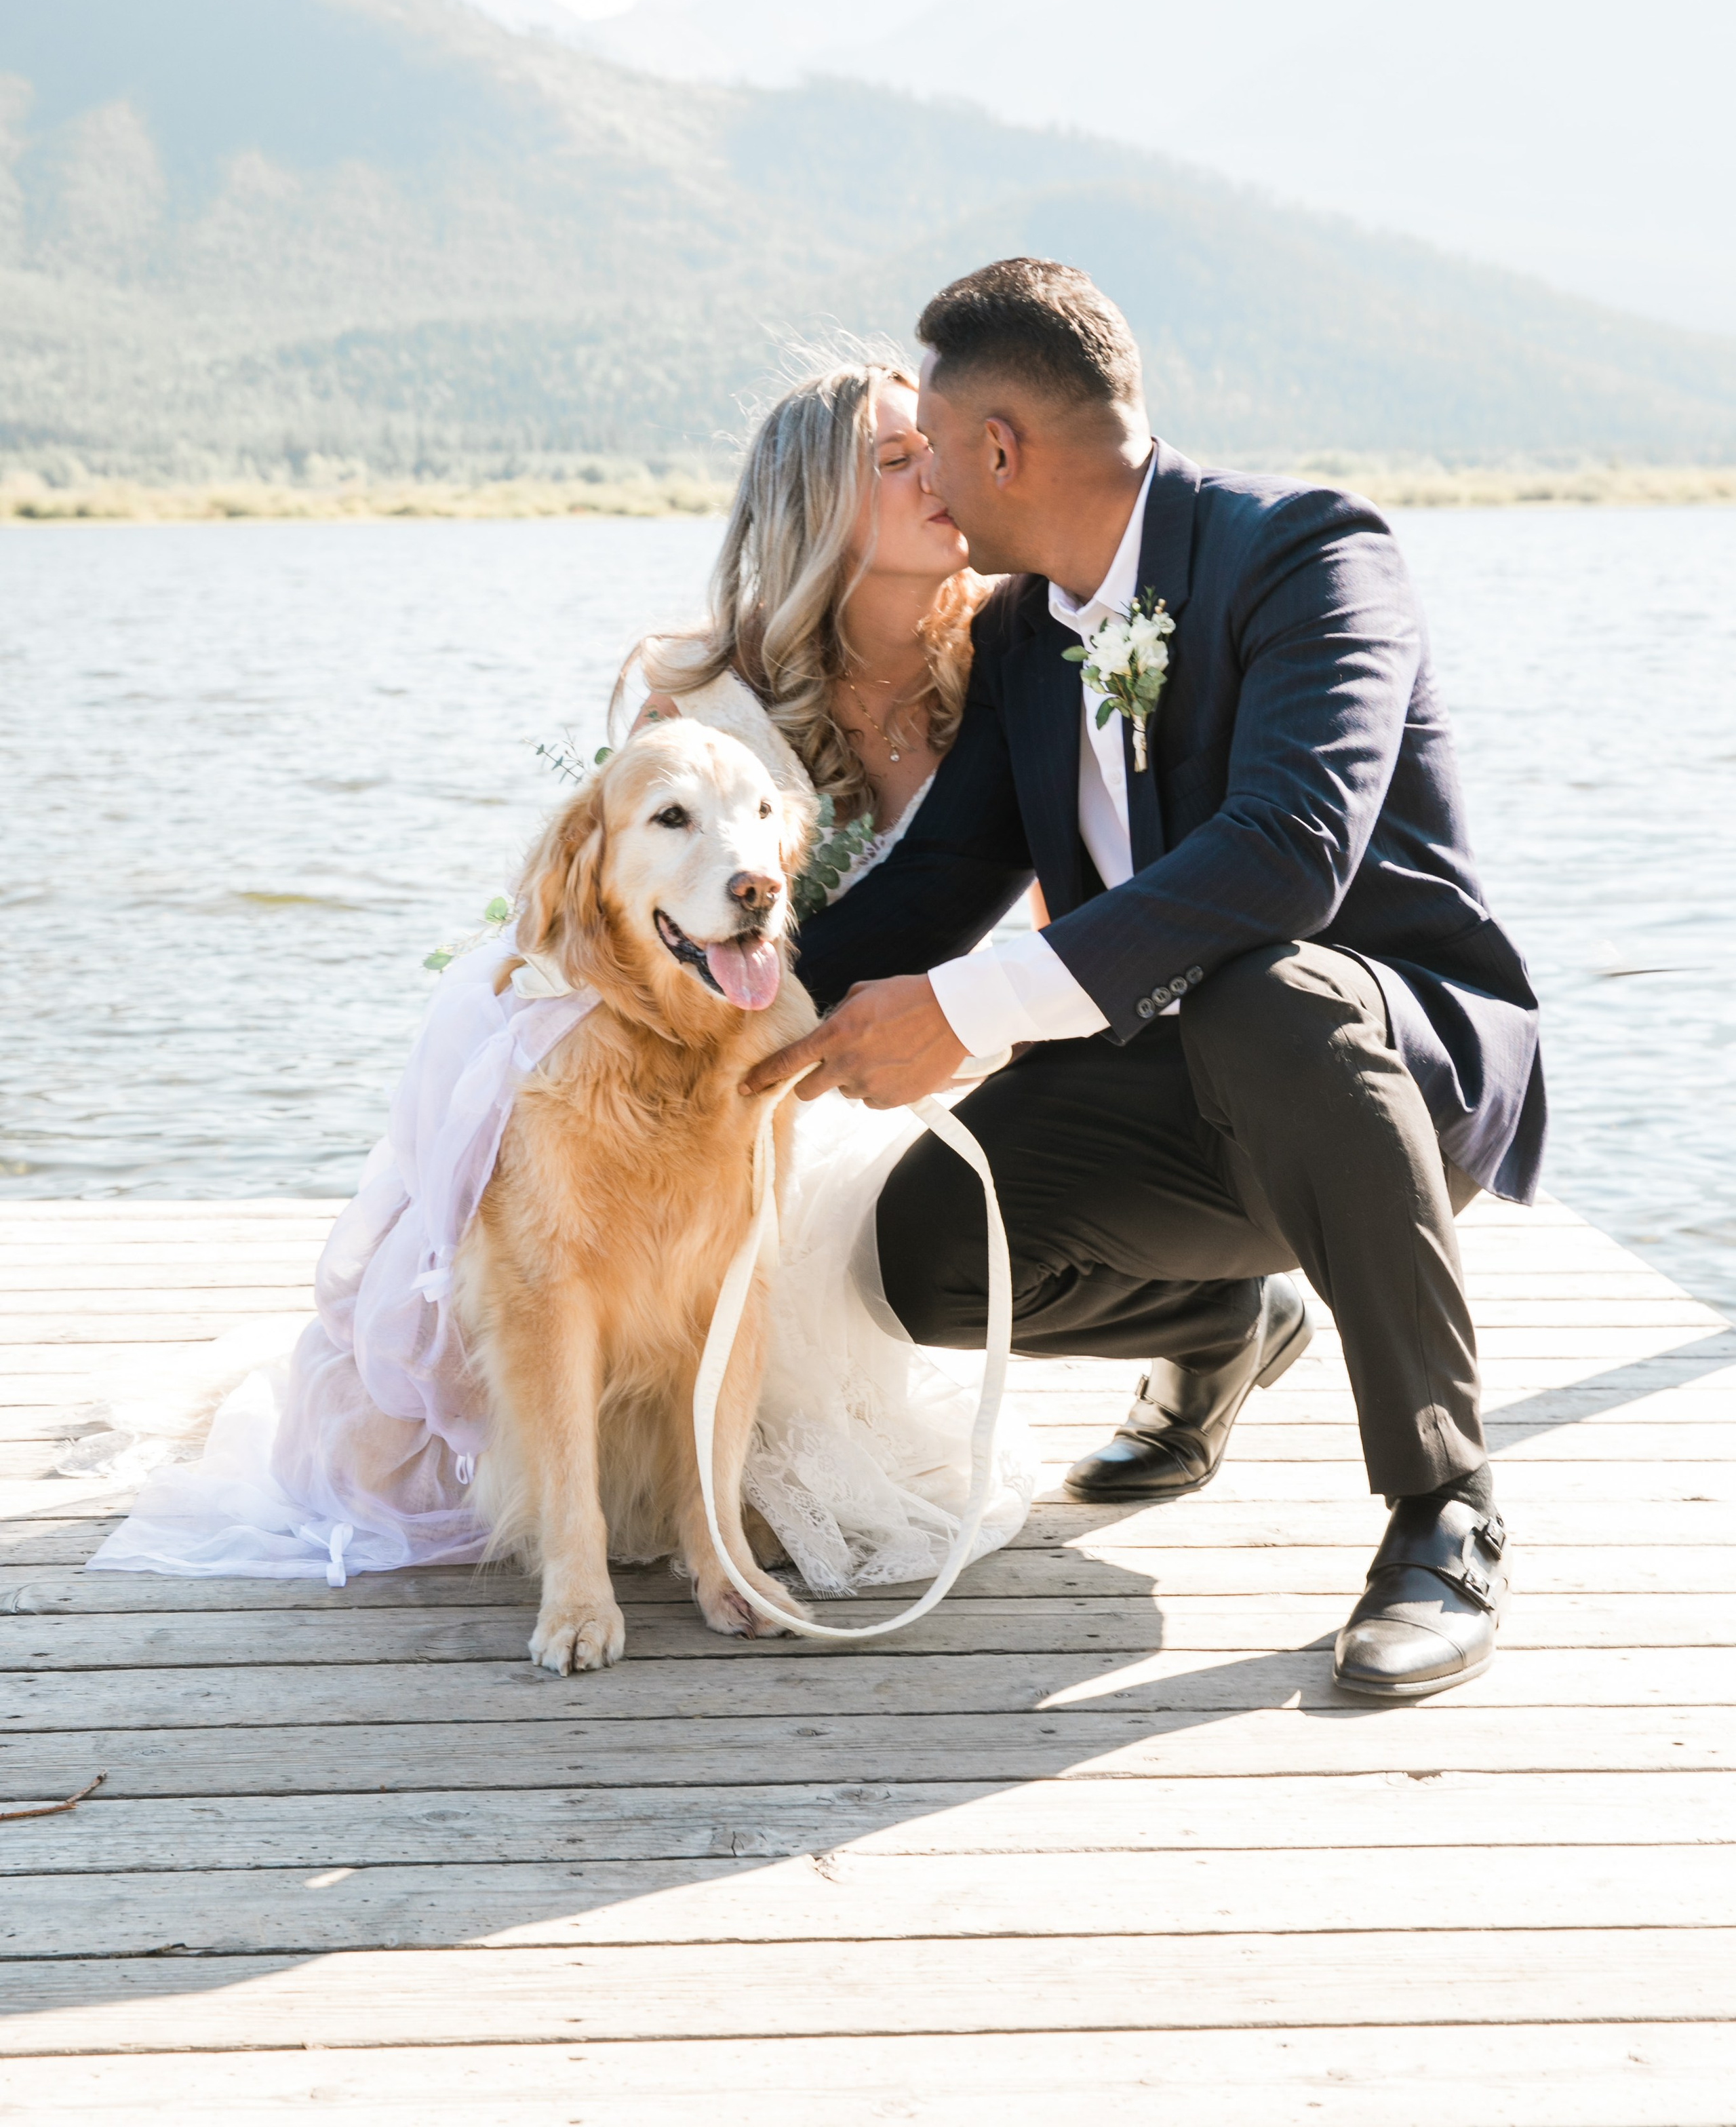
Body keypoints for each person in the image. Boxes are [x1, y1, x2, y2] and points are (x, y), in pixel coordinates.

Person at [87, 354, 1037, 1595]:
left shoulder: (1015, 660)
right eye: (897, 458)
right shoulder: (702, 692)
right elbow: (629, 914)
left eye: (945, 444)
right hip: (723, 1059)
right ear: (813, 506)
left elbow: (1062, 910)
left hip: (890, 1065)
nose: (943, 472)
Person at [749, 258, 1545, 1699]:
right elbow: (938, 888)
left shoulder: (1307, 554)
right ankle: (1224, 1324)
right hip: (1171, 1088)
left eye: (926, 443)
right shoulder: (1014, 634)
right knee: (917, 1254)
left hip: (1388, 1072)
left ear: (1002, 449)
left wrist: (966, 1012)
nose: (922, 475)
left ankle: (1445, 1508)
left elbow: (1283, 854)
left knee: (1268, 991)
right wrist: (715, 1005)